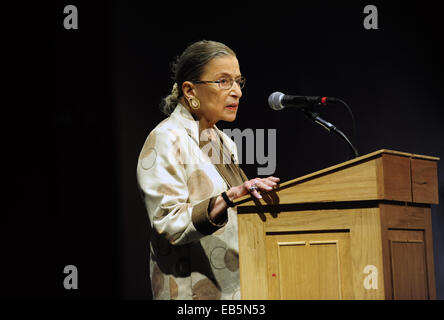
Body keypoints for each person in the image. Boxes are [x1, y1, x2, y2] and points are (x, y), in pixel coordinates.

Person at [136, 40, 280, 300]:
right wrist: (229, 197)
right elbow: (169, 223)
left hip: (235, 291)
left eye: (238, 81)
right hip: (193, 295)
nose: (237, 91)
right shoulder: (166, 138)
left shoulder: (223, 141)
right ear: (190, 90)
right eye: (223, 81)